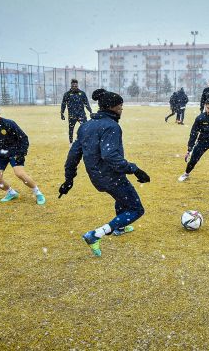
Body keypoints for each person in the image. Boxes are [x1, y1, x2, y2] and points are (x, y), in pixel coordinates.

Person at [59, 89, 150, 257]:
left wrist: (69, 178)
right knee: (136, 209)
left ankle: (120, 227)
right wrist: (135, 169)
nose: (122, 109)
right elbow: (110, 155)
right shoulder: (111, 126)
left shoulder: (86, 126)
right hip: (110, 175)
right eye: (120, 106)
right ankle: (96, 234)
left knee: (121, 195)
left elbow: (73, 154)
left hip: (97, 176)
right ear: (112, 107)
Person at [61, 79, 93, 144]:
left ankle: (86, 141)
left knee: (85, 128)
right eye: (73, 86)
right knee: (71, 129)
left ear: (77, 85)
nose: (74, 87)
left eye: (76, 86)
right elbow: (63, 104)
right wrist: (62, 113)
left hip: (81, 115)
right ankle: (71, 142)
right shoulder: (67, 94)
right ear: (71, 86)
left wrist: (90, 112)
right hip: (72, 115)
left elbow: (86, 103)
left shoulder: (82, 93)